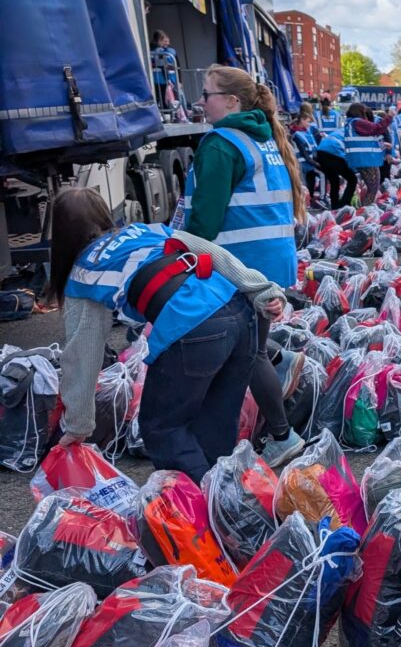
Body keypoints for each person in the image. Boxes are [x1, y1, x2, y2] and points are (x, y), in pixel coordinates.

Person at [50, 188, 284, 483]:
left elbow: (82, 353)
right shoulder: (145, 231)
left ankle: (202, 510)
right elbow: (214, 253)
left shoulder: (84, 272)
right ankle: (230, 510)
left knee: (163, 428)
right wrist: (262, 290)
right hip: (239, 314)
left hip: (193, 327)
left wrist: (78, 423)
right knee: (216, 425)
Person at [183, 66, 306, 467]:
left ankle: (282, 434)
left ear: (232, 102)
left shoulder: (220, 144)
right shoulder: (262, 136)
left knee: (245, 354)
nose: (201, 103)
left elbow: (204, 218)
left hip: (240, 265)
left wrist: (183, 254)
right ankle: (279, 359)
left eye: (207, 95)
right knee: (252, 345)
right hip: (270, 259)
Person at [343, 102, 386, 205]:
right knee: (373, 188)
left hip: (359, 159)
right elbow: (377, 128)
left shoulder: (350, 123)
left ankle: (362, 208)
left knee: (370, 187)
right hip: (366, 159)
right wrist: (389, 117)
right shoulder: (358, 122)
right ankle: (365, 210)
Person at [315, 122, 357, 209]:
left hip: (320, 153)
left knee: (334, 180)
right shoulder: (352, 134)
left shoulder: (340, 131)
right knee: (352, 179)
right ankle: (344, 205)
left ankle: (335, 206)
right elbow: (352, 153)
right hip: (334, 154)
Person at [290, 104, 322, 204]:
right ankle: (307, 204)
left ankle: (312, 201)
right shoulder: (297, 134)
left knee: (310, 185)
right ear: (302, 120)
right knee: (304, 187)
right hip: (302, 165)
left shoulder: (306, 132)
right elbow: (305, 154)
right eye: (308, 121)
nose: (309, 124)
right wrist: (317, 164)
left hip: (308, 164)